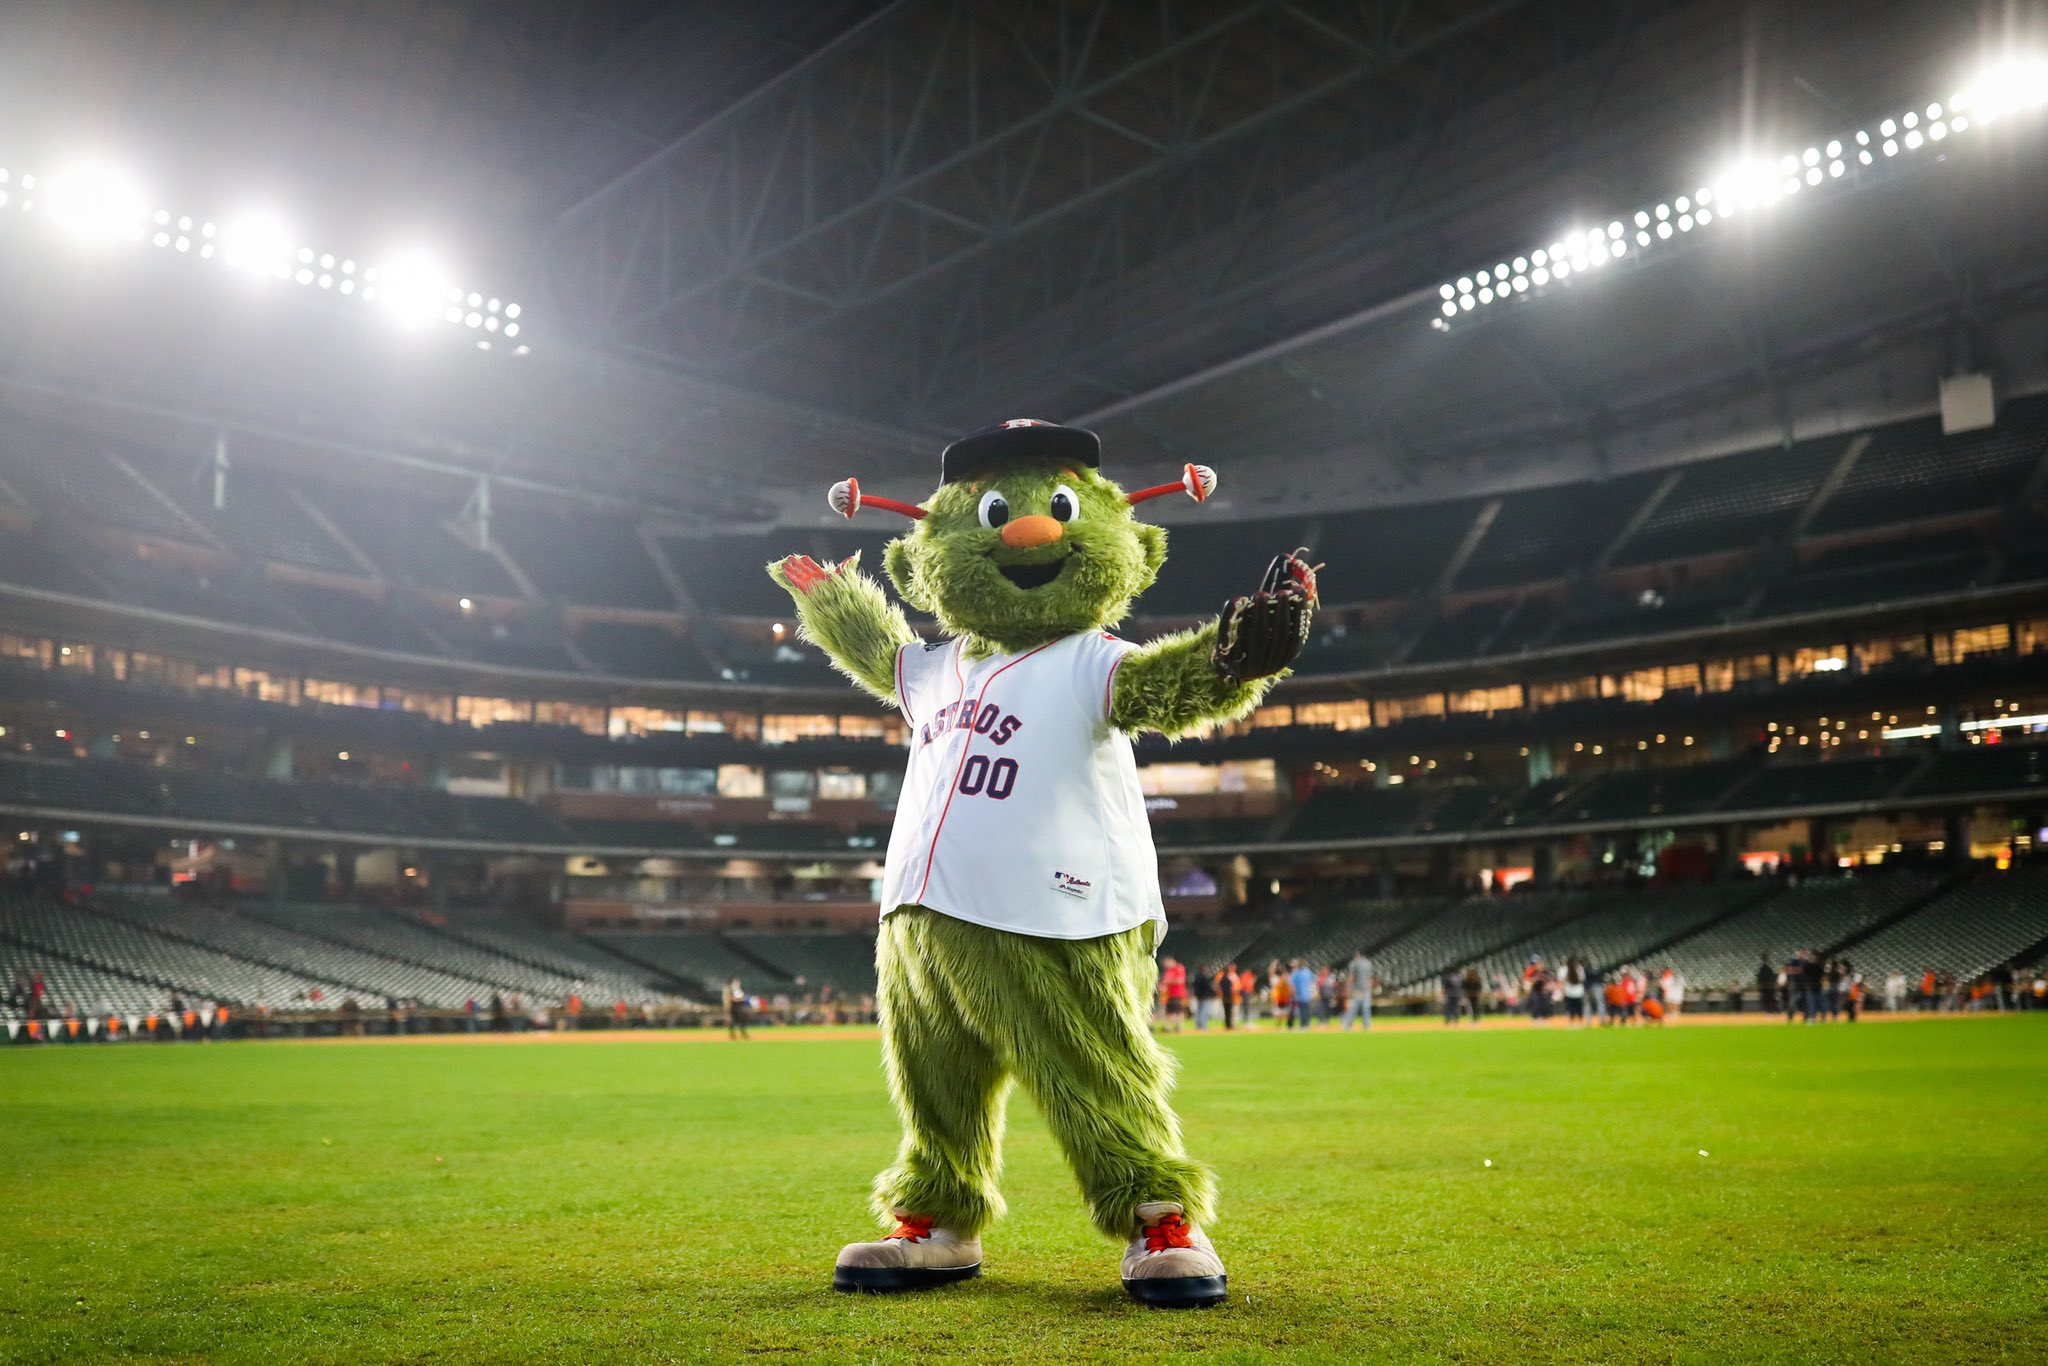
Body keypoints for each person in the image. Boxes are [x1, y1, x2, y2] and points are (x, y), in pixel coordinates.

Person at [1342, 948, 1373, 1031]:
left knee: (1353, 1007)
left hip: (1357, 989)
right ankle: (1367, 1025)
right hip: (1365, 989)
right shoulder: (1368, 963)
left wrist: (1347, 988)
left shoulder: (1354, 963)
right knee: (1366, 1007)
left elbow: (1351, 977)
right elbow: (1370, 978)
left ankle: (1348, 1024)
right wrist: (1369, 987)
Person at [1158, 956, 1189, 1033]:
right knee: (1170, 1010)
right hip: (1170, 994)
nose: (1166, 966)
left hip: (1178, 993)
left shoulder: (1179, 968)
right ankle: (1169, 1026)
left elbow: (1180, 980)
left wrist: (1168, 982)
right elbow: (1164, 982)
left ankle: (1179, 1026)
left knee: (1178, 1010)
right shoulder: (1168, 971)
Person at [1287, 959, 1315, 1031]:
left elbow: (1292, 985)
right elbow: (1312, 981)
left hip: (1300, 995)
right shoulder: (1306, 972)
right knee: (1304, 1010)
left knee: (1303, 1011)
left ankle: (1303, 1025)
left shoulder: (1296, 973)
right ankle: (1304, 1024)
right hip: (1303, 995)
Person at [1190, 960, 1217, 1030]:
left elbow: (1194, 987)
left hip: (1199, 996)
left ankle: (1198, 1025)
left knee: (1199, 1011)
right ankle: (1203, 1026)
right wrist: (1213, 993)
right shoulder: (1205, 978)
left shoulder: (1196, 977)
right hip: (1206, 997)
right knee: (1205, 1012)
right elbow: (1208, 987)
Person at [1560, 957, 1587, 1024]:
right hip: (1578, 991)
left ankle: (1572, 1021)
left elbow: (1562, 980)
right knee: (1578, 1007)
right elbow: (1583, 979)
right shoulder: (1579, 968)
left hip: (1569, 991)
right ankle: (1580, 1020)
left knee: (1571, 1007)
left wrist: (1562, 991)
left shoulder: (1564, 969)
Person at [1217, 963, 1240, 1031]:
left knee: (1228, 1011)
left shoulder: (1224, 977)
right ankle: (1230, 1025)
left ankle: (1228, 1025)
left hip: (1226, 996)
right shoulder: (1230, 977)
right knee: (1231, 1012)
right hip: (1231, 997)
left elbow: (1219, 987)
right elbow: (1233, 988)